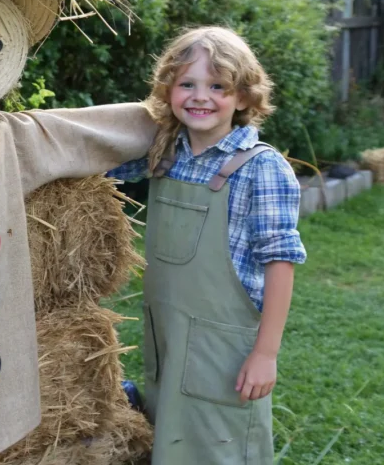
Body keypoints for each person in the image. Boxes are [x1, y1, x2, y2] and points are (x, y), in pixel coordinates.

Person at [108, 26, 307, 464]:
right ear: (169, 90)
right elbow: (99, 155)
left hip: (224, 355)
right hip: (170, 340)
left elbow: (281, 261)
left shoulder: (261, 169)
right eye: (187, 84)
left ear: (243, 97)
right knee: (173, 443)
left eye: (218, 86)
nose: (201, 96)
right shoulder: (165, 153)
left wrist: (265, 353)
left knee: (220, 449)